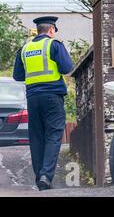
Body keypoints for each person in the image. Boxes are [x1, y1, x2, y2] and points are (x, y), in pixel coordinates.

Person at [13, 16, 73, 191]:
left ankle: (40, 177)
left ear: (38, 30)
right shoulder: (54, 45)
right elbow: (66, 68)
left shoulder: (24, 49)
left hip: (33, 98)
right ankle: (46, 175)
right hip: (52, 96)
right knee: (54, 135)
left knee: (37, 137)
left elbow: (18, 76)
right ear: (52, 30)